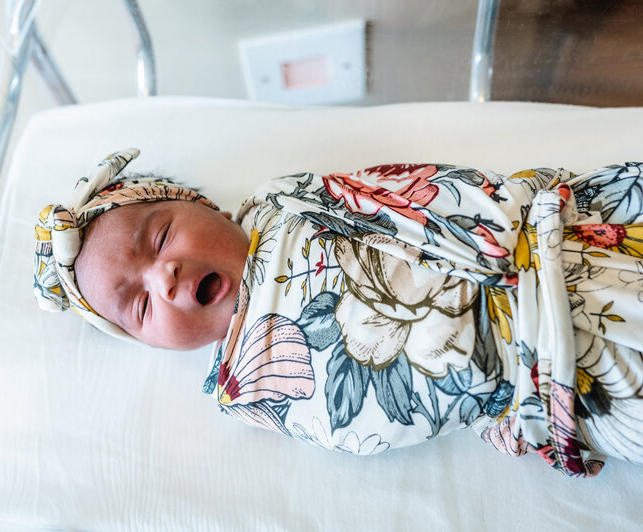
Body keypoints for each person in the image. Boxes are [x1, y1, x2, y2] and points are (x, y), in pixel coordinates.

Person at [33, 148, 643, 477]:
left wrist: (510, 223)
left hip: (560, 251)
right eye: (139, 305)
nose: (162, 276)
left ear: (204, 206)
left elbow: (413, 191)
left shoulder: (289, 204)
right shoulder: (249, 386)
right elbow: (363, 420)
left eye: (161, 236)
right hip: (559, 379)